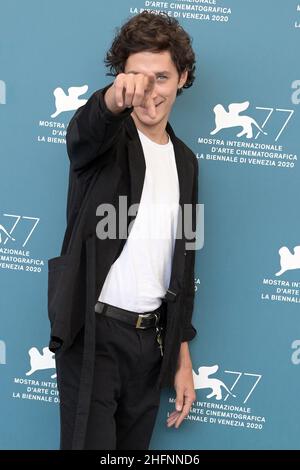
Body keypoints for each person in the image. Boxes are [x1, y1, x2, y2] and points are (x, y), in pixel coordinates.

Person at [47, 10, 199, 450]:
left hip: (149, 348)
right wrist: (113, 100)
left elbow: (184, 264)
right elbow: (84, 128)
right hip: (92, 335)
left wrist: (181, 356)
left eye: (162, 77)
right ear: (120, 79)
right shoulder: (104, 141)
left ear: (182, 78)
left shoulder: (187, 162)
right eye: (136, 77)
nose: (149, 92)